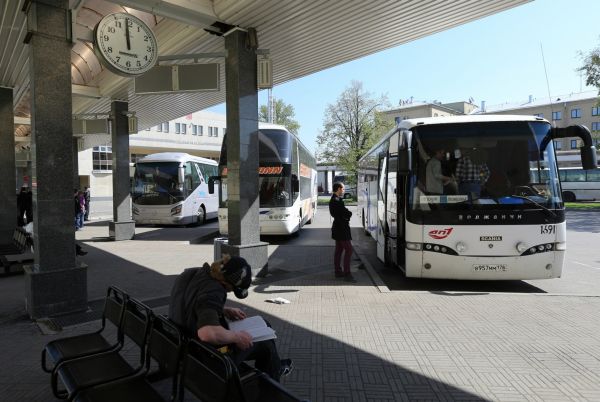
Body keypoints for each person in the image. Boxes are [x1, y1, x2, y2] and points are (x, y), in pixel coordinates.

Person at [169, 254, 293, 382]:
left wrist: (222, 309)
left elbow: (190, 303)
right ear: (225, 282)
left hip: (180, 344)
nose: (229, 292)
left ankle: (274, 367)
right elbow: (207, 334)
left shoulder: (193, 273)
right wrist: (237, 337)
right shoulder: (214, 290)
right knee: (266, 345)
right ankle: (272, 386)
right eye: (231, 290)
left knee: (264, 324)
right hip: (205, 356)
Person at [329, 182, 355, 282]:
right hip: (341, 229)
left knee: (339, 251)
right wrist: (348, 213)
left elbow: (342, 212)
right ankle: (347, 273)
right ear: (339, 189)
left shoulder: (336, 199)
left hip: (338, 229)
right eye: (343, 189)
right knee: (349, 250)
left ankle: (338, 271)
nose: (343, 191)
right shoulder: (336, 200)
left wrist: (346, 213)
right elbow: (343, 213)